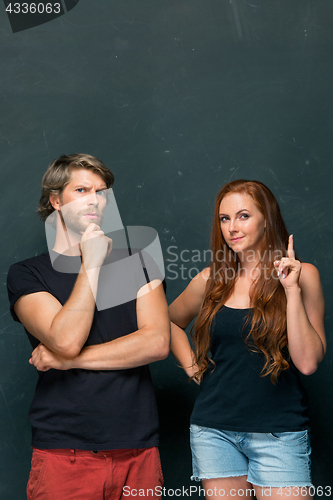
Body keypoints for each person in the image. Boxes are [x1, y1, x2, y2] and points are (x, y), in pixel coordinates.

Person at [7, 153, 170, 500]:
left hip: (138, 450)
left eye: (101, 191)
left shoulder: (139, 262)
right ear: (55, 200)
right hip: (64, 453)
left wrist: (70, 361)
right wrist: (91, 261)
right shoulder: (27, 273)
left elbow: (156, 342)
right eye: (82, 190)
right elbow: (65, 338)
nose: (95, 199)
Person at [169, 180, 325, 500]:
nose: (231, 227)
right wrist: (192, 369)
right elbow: (167, 321)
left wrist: (291, 290)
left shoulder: (304, 275)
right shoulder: (212, 279)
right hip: (214, 432)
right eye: (224, 219)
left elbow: (308, 363)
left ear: (266, 218)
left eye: (242, 216)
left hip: (279, 432)